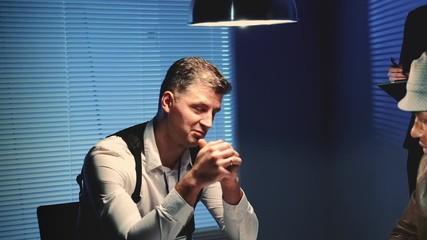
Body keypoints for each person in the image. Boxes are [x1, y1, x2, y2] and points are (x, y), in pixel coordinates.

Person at [75, 56, 259, 240]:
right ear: (168, 102)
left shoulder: (197, 158)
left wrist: (230, 182)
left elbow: (246, 237)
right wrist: (193, 181)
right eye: (199, 108)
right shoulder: (109, 156)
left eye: (214, 112)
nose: (209, 123)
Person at [387, 4, 427, 196]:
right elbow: (409, 72)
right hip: (422, 145)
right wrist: (398, 77)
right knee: (418, 215)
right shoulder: (418, 17)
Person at [389, 51, 427, 239]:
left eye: (425, 121)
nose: (414, 132)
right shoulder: (425, 166)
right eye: (415, 118)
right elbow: (405, 231)